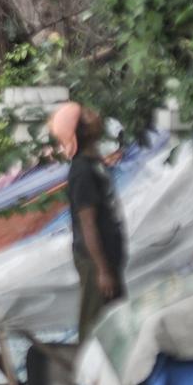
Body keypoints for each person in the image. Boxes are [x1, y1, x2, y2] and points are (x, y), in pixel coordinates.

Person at [49, 102, 126, 343]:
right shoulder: (82, 171)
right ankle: (88, 378)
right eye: (87, 115)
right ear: (81, 131)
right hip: (95, 261)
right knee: (96, 328)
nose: (95, 115)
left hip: (107, 259)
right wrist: (102, 270)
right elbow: (87, 224)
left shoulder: (95, 164)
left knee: (116, 322)